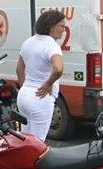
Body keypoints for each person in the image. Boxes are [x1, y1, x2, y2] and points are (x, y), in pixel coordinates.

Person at [16, 10, 66, 142]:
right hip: (40, 98)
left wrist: (24, 87)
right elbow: (58, 68)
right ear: (52, 26)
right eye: (62, 26)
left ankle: (21, 163)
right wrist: (49, 83)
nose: (64, 30)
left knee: (25, 141)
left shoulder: (28, 42)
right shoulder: (52, 46)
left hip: (24, 96)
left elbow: (19, 69)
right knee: (37, 145)